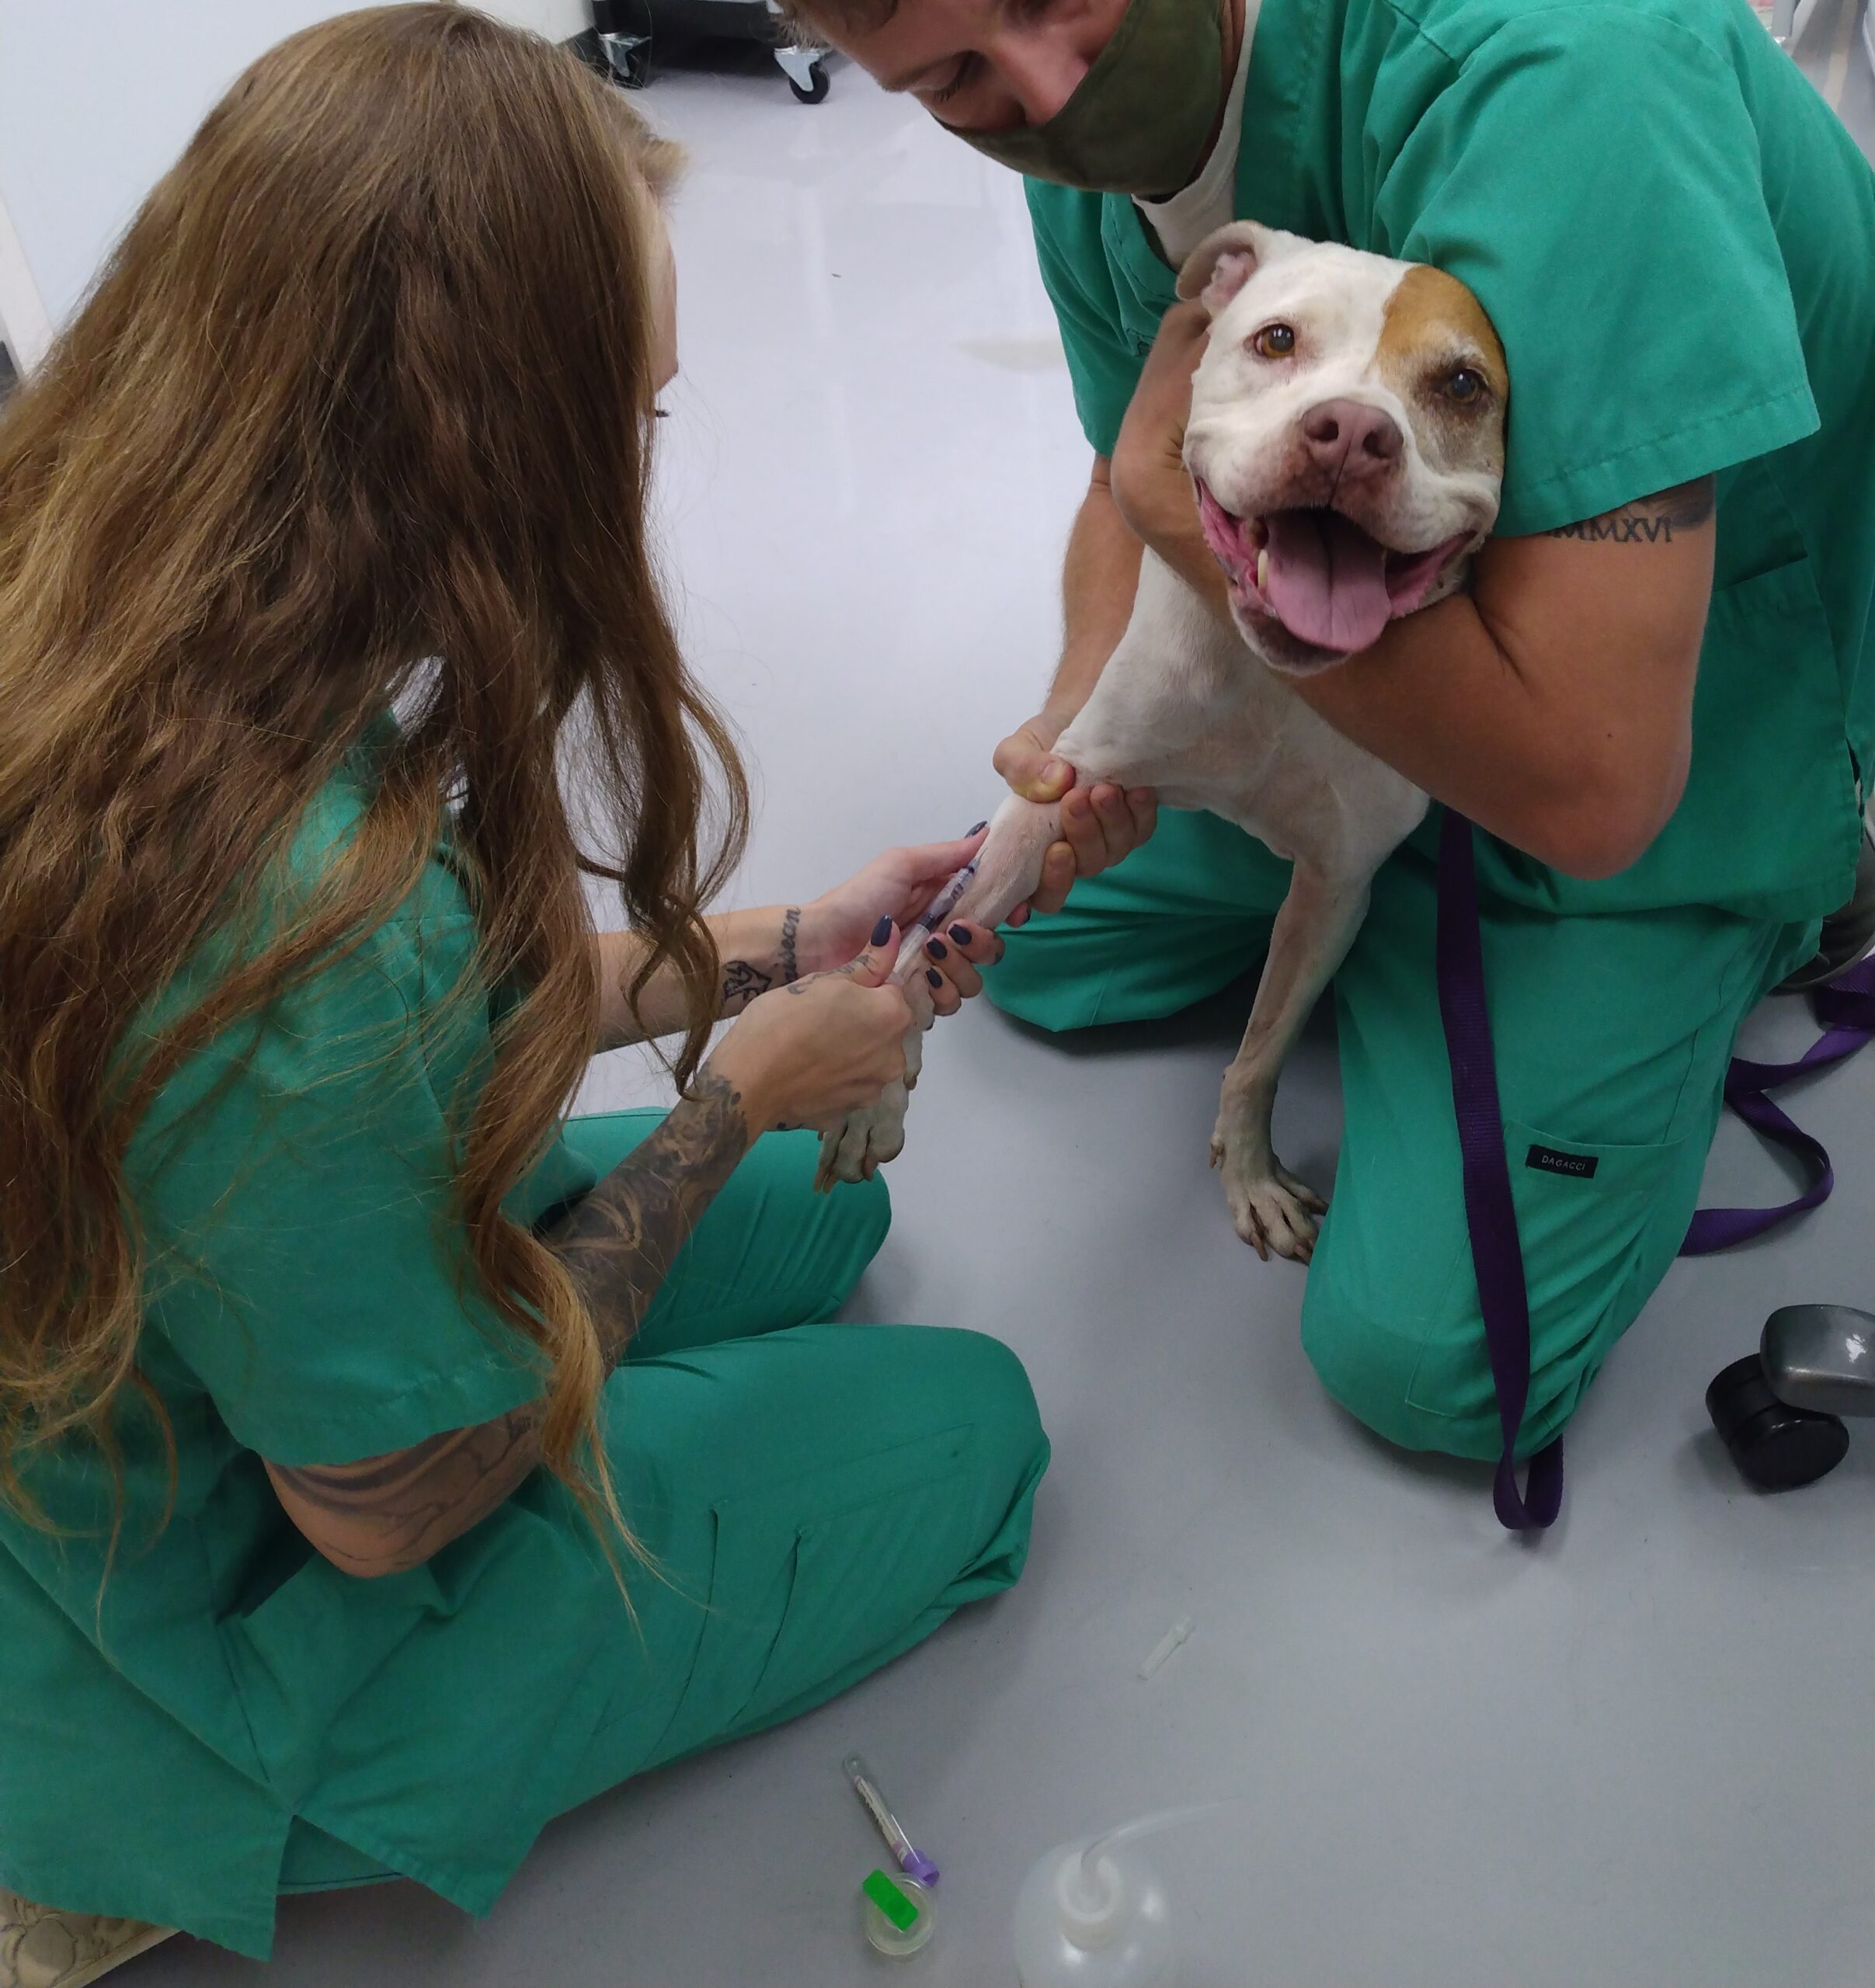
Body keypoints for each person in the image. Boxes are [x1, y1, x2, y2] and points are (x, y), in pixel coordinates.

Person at [0, 12, 1052, 1979]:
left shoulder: (112, 596)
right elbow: (386, 1506)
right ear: (481, 448)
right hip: (180, 1628)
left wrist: (780, 944)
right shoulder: (286, 929)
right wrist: (728, 1104)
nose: (639, 465)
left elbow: (429, 1004)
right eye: (628, 418)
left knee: (832, 1221)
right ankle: (111, 1855)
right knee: (970, 1423)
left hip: (118, 1364)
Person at [802, 0, 1875, 1463]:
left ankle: (1780, 890)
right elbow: (1134, 462)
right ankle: (1370, 869)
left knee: (1429, 1367)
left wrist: (1170, 505)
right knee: (1044, 950)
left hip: (1675, 733)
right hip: (1359, 654)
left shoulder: (1570, 78)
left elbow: (1594, 788)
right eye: (949, 77)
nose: (1046, 90)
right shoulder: (1091, 163)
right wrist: (1070, 716)